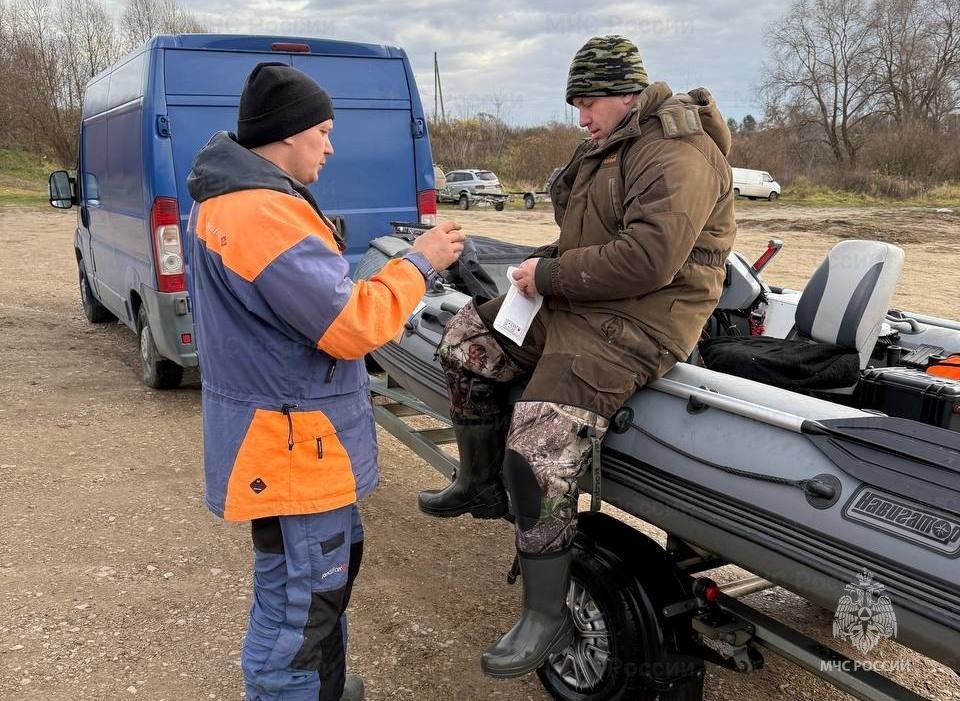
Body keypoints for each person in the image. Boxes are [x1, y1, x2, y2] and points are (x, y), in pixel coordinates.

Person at [418, 35, 737, 677]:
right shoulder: (607, 148)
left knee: (536, 446)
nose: (580, 117)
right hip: (585, 302)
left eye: (587, 103)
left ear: (625, 93)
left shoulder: (678, 151)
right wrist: (542, 267)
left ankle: (546, 613)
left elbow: (650, 258)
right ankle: (480, 484)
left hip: (641, 320)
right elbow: (587, 237)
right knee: (466, 341)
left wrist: (552, 277)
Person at [185, 62, 464, 701]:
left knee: (312, 584)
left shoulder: (233, 199)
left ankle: (324, 688)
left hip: (285, 437)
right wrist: (420, 263)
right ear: (288, 135)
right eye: (325, 132)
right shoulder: (262, 213)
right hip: (292, 445)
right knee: (301, 606)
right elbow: (350, 323)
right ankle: (292, 690)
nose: (332, 147)